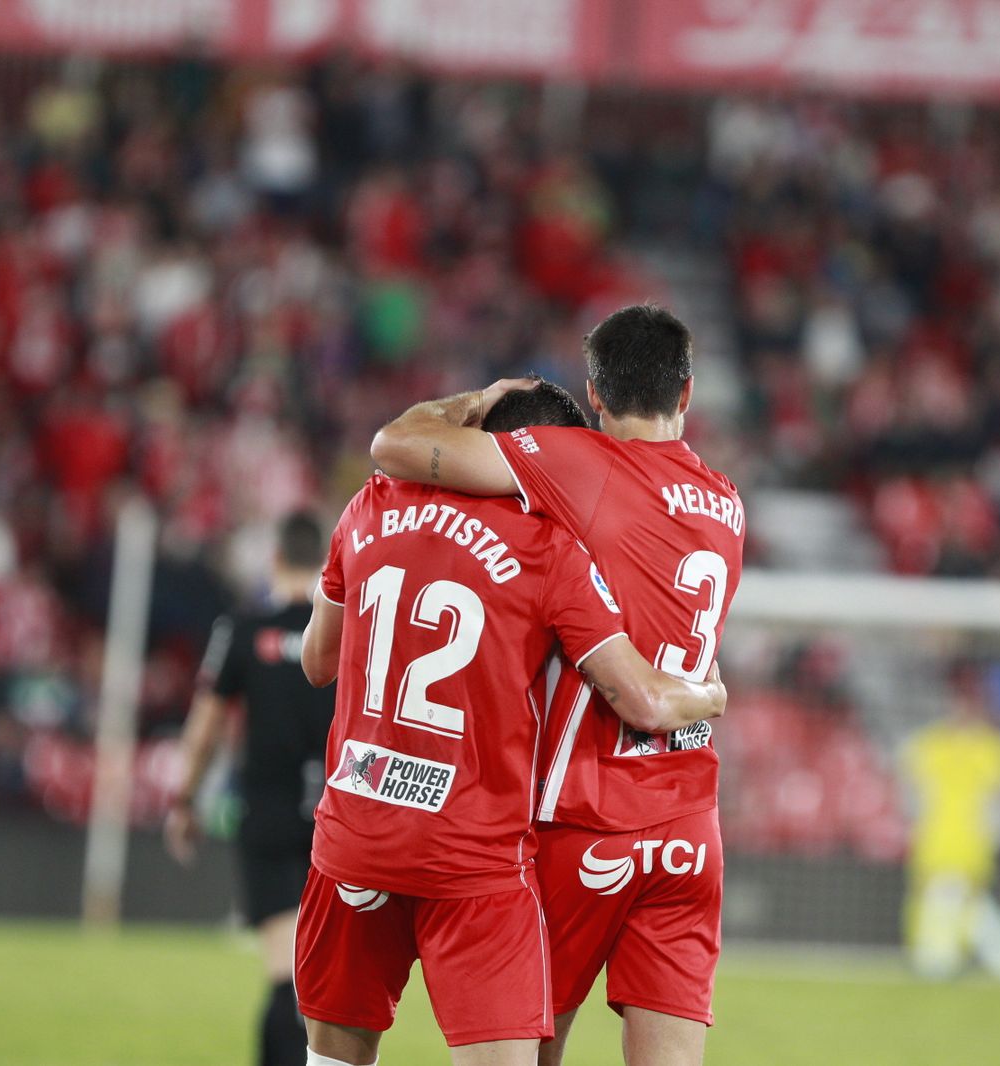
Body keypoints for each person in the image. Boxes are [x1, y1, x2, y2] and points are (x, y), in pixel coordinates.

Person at [296, 381, 727, 1066]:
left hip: (355, 830)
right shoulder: (545, 547)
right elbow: (639, 699)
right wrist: (708, 696)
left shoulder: (367, 508)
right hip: (470, 853)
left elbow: (316, 661)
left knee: (335, 1060)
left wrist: (469, 400)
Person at [165, 513, 337, 1066]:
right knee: (322, 974)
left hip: (265, 814)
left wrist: (185, 801)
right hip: (337, 815)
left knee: (285, 972)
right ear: (324, 563)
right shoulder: (349, 627)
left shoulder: (241, 629)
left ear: (275, 560)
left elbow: (205, 728)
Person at [900, 665, 1000, 978]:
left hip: (973, 841)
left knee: (965, 900)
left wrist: (998, 822)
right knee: (936, 897)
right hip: (934, 839)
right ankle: (938, 954)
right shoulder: (928, 744)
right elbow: (906, 786)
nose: (962, 709)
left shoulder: (993, 747)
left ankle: (949, 955)